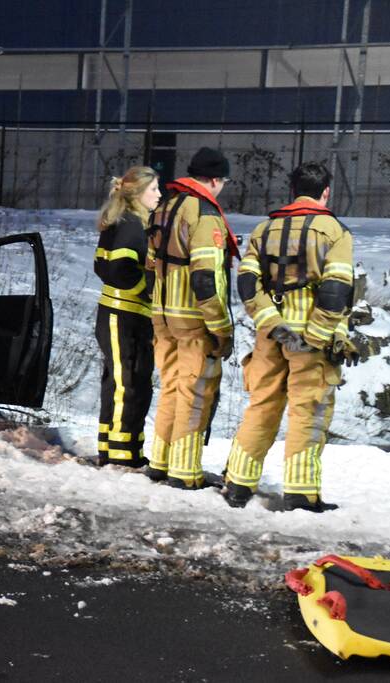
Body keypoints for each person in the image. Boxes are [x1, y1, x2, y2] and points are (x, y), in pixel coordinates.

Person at [222, 162, 355, 512]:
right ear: (325, 192)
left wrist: (271, 323)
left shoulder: (264, 229)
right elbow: (336, 290)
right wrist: (317, 335)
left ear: (293, 191)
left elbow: (248, 284)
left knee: (261, 405)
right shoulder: (334, 232)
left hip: (270, 337)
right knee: (307, 413)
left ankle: (237, 484)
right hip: (311, 340)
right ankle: (301, 494)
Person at [145, 147, 239, 488]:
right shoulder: (204, 213)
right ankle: (185, 472)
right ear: (214, 180)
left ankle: (160, 461)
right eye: (223, 181)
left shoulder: (165, 205)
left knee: (170, 386)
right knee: (195, 392)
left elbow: (150, 262)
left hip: (162, 315)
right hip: (193, 320)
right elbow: (205, 278)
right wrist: (221, 328)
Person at [93, 166, 161, 467]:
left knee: (124, 382)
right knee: (127, 383)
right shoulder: (131, 225)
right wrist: (145, 288)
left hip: (126, 316)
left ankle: (119, 447)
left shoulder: (129, 222)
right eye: (154, 189)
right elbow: (114, 269)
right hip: (122, 317)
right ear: (137, 194)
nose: (159, 195)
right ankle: (121, 454)